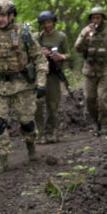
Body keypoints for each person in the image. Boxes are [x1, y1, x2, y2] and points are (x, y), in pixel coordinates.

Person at [0, 0, 48, 175]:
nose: (0, 19)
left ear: (11, 16)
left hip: (23, 85)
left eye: (3, 15)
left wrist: (41, 83)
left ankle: (31, 146)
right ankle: (2, 159)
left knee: (26, 123)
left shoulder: (24, 33)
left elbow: (40, 59)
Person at [33, 10, 70, 144]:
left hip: (54, 75)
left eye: (49, 22)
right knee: (37, 104)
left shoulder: (61, 36)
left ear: (53, 22)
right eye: (43, 23)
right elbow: (27, 54)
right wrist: (39, 51)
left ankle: (50, 132)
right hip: (39, 74)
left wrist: (61, 57)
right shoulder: (36, 37)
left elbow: (69, 55)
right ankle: (39, 133)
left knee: (53, 106)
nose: (47, 25)